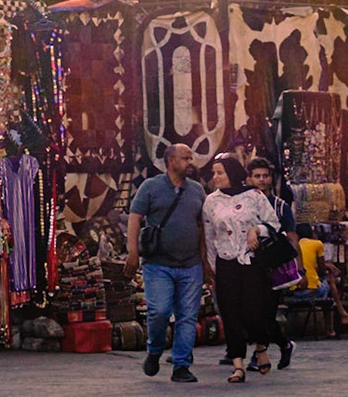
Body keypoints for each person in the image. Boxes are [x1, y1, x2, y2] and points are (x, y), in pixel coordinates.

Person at [125, 141, 210, 384]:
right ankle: (154, 350)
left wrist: (205, 261)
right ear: (170, 161)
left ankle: (181, 365)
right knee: (159, 311)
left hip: (190, 264)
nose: (190, 162)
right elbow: (135, 218)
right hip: (157, 264)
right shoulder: (150, 187)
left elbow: (201, 226)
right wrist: (133, 252)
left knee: (187, 316)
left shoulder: (196, 190)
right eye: (185, 158)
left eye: (190, 158)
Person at [202, 154, 279, 383]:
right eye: (214, 173)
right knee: (230, 312)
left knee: (254, 310)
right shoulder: (211, 201)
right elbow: (209, 237)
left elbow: (273, 223)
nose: (215, 177)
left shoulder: (254, 196)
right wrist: (212, 268)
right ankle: (237, 365)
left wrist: (256, 230)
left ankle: (261, 347)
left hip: (251, 262)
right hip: (226, 264)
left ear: (232, 173)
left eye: (220, 172)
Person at [245, 157, 296, 371]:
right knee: (252, 311)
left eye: (265, 176)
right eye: (257, 176)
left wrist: (296, 269)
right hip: (248, 264)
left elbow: (292, 237)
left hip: (273, 265)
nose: (261, 180)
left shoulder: (280, 206)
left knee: (265, 311)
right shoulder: (242, 204)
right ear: (249, 179)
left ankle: (260, 354)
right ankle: (284, 344)